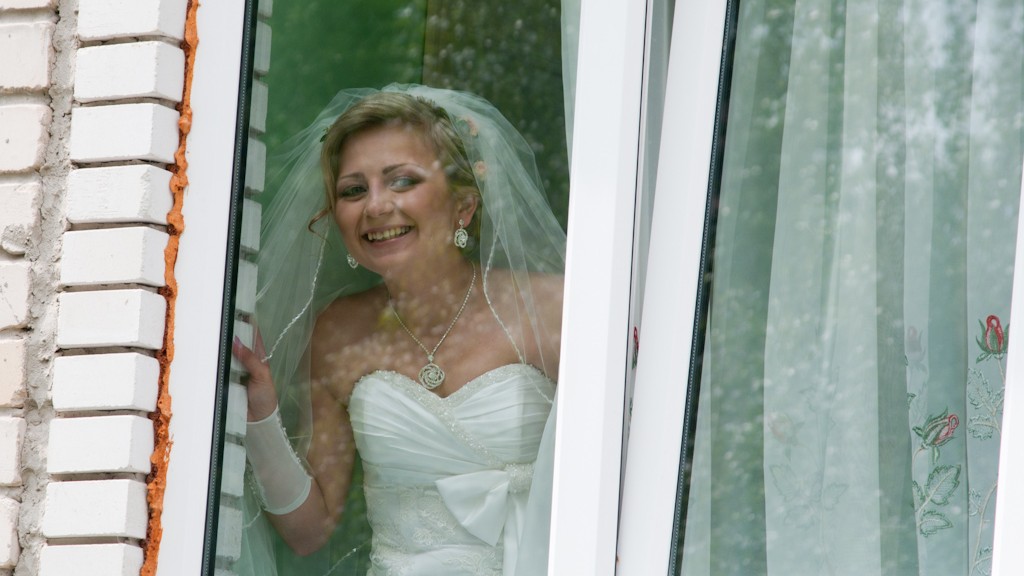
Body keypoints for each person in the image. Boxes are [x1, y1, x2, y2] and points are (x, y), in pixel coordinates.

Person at [231, 85, 567, 576]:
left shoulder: (550, 308)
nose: (376, 206)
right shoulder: (338, 333)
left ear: (463, 207)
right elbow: (309, 532)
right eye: (353, 190)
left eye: (402, 181)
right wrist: (260, 415)